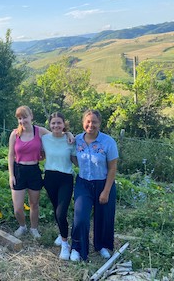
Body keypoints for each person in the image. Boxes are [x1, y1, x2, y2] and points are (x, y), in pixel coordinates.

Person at [8, 106, 74, 239]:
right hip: (19, 170)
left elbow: (56, 134)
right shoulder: (15, 134)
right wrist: (11, 175)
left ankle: (34, 228)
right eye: (20, 118)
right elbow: (10, 155)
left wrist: (68, 134)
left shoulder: (39, 131)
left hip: (34, 171)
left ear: (31, 116)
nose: (22, 121)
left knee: (34, 204)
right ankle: (22, 226)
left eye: (25, 117)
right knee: (18, 208)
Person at [70, 109, 119, 262]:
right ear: (83, 123)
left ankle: (102, 246)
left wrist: (106, 191)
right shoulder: (77, 139)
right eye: (88, 121)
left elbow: (112, 168)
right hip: (83, 183)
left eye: (94, 122)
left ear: (100, 124)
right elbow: (73, 157)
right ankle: (77, 248)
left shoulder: (108, 142)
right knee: (80, 217)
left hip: (104, 183)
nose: (91, 125)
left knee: (104, 216)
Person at [42, 112, 77, 260]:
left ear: (64, 124)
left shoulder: (70, 140)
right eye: (53, 123)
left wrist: (69, 134)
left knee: (61, 213)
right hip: (49, 177)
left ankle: (65, 244)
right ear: (49, 125)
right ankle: (61, 233)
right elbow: (31, 127)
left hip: (65, 178)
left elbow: (76, 161)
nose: (56, 125)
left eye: (59, 123)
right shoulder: (44, 139)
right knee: (56, 209)